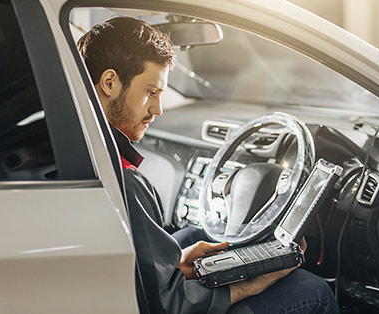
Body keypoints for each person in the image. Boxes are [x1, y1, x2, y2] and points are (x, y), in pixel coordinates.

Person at [77, 16, 338, 314]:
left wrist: (175, 264)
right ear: (110, 82)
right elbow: (170, 305)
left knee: (195, 237)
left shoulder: (81, 145)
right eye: (151, 92)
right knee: (313, 291)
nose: (157, 110)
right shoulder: (125, 179)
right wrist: (254, 281)